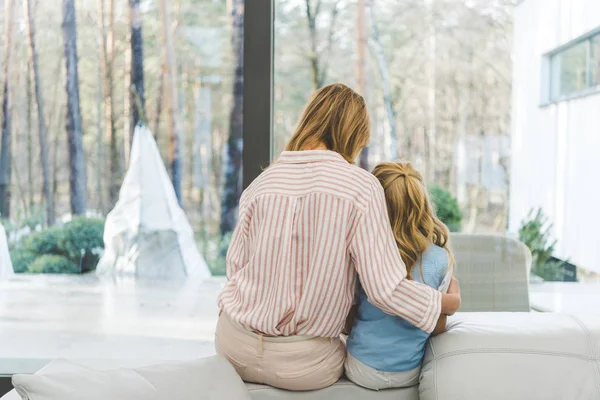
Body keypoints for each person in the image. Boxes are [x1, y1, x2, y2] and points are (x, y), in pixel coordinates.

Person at [215, 83, 461, 391]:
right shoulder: (361, 187)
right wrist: (441, 304)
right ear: (354, 135)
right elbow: (384, 289)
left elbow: (235, 270)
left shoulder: (261, 183)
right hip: (303, 364)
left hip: (232, 346)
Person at [345, 161, 457, 391]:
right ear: (422, 205)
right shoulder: (442, 260)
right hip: (409, 372)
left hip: (360, 369)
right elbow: (438, 326)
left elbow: (346, 320)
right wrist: (454, 296)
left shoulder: (365, 255)